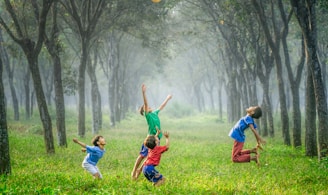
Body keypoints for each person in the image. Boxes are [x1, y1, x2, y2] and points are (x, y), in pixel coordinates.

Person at [131, 84, 172, 180]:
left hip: (157, 138)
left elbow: (161, 106)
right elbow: (145, 104)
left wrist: (167, 98)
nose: (149, 107)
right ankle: (134, 171)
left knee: (151, 155)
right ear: (145, 111)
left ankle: (140, 170)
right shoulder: (148, 116)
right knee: (142, 155)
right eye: (147, 107)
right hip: (150, 139)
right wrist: (143, 93)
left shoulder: (155, 113)